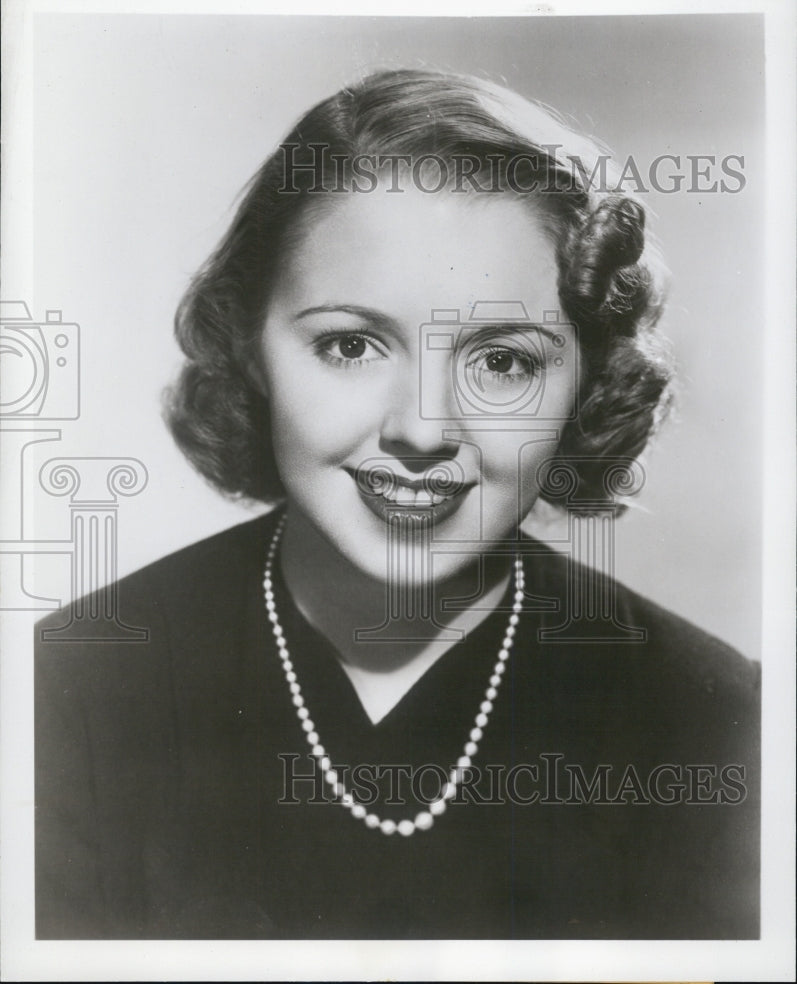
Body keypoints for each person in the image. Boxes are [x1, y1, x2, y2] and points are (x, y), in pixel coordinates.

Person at [35, 69, 759, 940]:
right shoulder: (67, 691)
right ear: (251, 346)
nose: (423, 427)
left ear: (585, 382)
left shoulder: (711, 722)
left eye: (503, 362)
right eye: (349, 344)